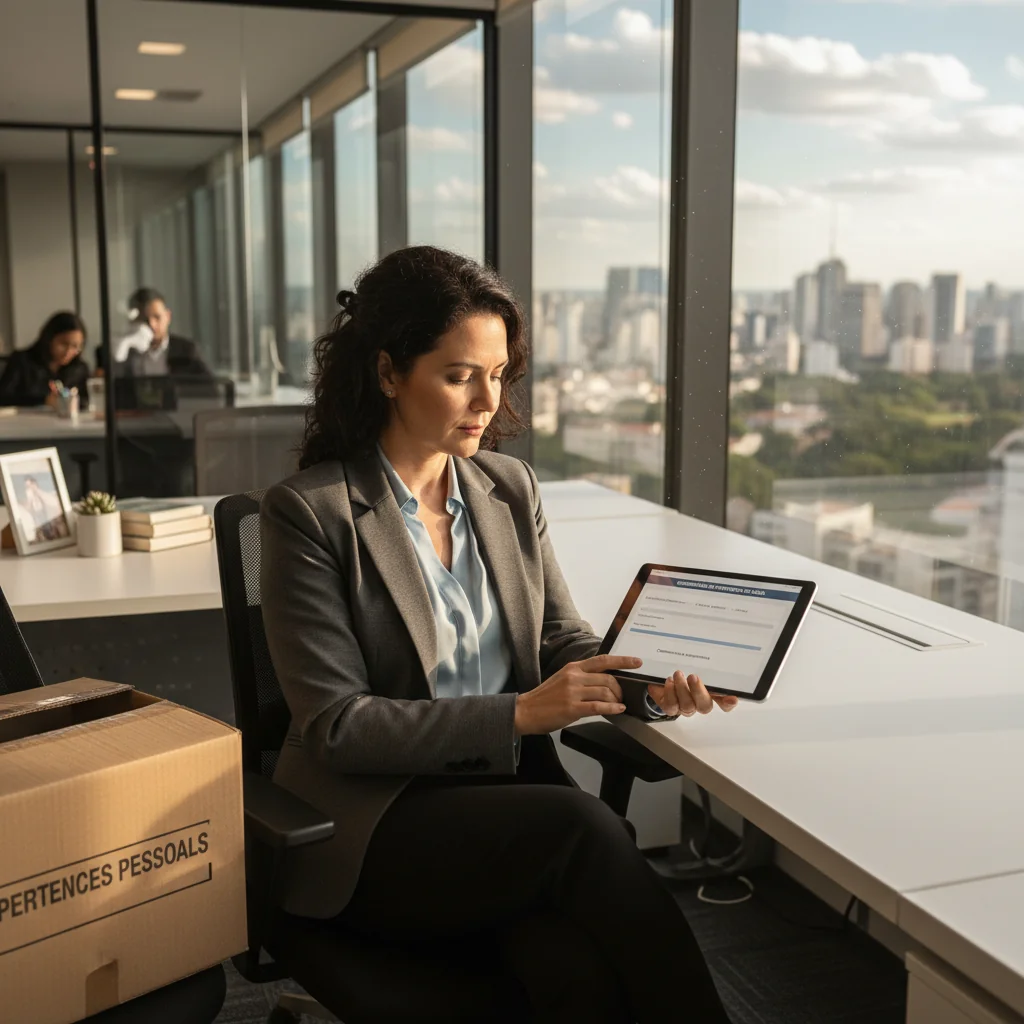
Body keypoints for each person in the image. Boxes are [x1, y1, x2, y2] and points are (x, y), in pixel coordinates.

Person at [260, 246, 738, 1023]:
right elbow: (339, 728)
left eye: (498, 373)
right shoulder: (310, 513)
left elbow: (560, 639)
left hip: (504, 818)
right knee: (585, 827)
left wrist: (654, 682)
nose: (488, 400)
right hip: (380, 826)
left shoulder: (505, 488)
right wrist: (519, 714)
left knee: (575, 975)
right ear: (388, 373)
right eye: (459, 376)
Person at [0, 312, 90, 409]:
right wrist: (43, 400)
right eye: (63, 344)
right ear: (49, 339)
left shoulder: (79, 369)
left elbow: (86, 401)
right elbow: (3, 398)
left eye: (75, 346)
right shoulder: (22, 361)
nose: (68, 351)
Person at [117, 287, 211, 378]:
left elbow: (212, 390)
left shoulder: (187, 351)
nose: (152, 324)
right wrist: (122, 347)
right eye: (144, 319)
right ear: (132, 321)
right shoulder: (123, 351)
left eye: (157, 317)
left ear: (168, 317)